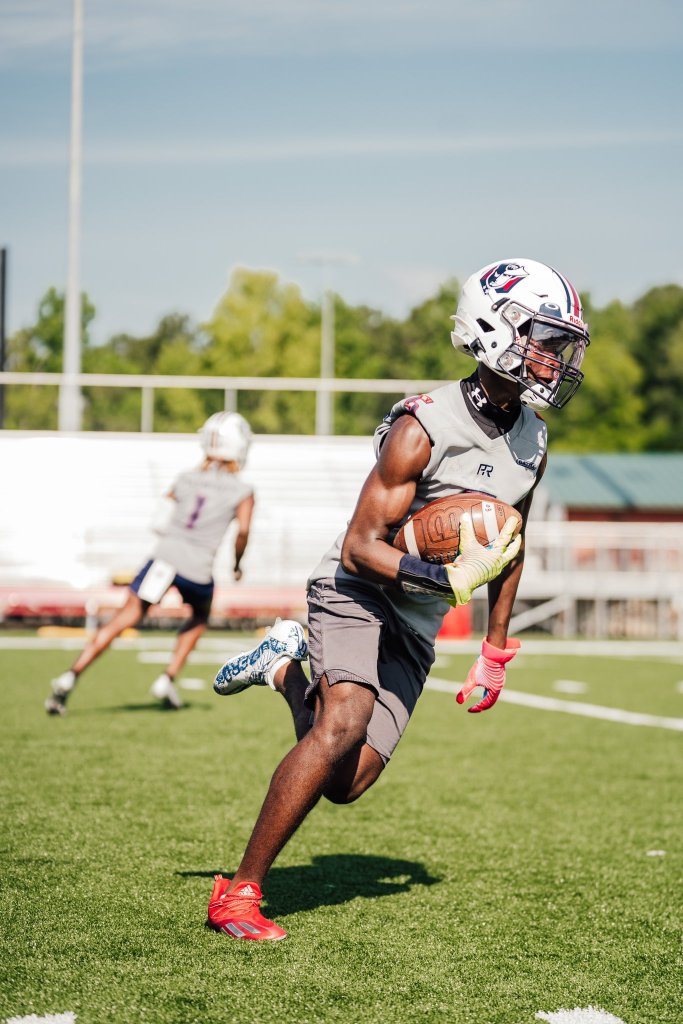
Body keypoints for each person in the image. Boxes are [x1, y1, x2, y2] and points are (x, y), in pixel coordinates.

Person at [206, 258, 590, 941]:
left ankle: (281, 667)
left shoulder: (533, 439)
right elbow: (360, 546)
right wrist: (440, 581)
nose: (552, 358)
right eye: (542, 338)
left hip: (414, 620)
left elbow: (510, 542)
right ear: (493, 328)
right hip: (355, 589)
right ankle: (238, 894)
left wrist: (494, 649)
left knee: (346, 782)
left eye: (559, 344)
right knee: (342, 722)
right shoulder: (424, 424)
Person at [45, 412, 255, 716]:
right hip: (197, 568)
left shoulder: (184, 478)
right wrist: (237, 564)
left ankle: (70, 675)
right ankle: (168, 677)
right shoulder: (242, 490)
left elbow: (159, 519)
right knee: (199, 616)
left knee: (123, 617)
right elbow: (244, 531)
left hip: (164, 558)